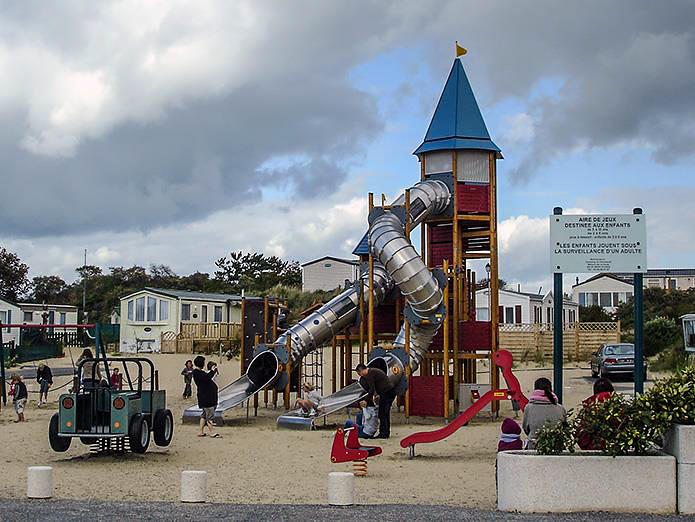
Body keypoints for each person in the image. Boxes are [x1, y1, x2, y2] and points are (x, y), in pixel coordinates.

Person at [522, 377, 566, 449]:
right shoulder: (560, 408)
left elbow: (526, 428)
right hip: (556, 447)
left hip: (534, 447)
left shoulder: (529, 408)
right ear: (551, 390)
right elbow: (564, 428)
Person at [355, 363, 396, 439]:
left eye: (359, 373)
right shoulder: (373, 371)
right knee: (384, 413)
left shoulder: (369, 374)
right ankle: (385, 432)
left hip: (387, 393)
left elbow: (371, 389)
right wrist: (376, 395)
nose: (361, 376)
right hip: (388, 392)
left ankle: (384, 434)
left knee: (383, 413)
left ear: (362, 370)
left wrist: (366, 400)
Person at [576, 377, 615, 450]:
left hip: (593, 448)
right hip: (615, 448)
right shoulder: (617, 405)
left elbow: (580, 435)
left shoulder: (590, 405)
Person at [192, 355, 220, 438]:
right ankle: (212, 432)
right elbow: (207, 377)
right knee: (210, 415)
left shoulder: (199, 372)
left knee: (204, 415)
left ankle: (200, 431)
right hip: (207, 398)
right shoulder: (198, 373)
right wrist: (212, 371)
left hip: (206, 397)